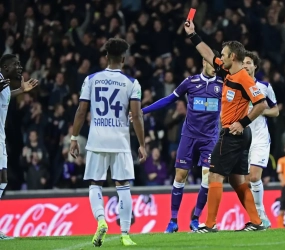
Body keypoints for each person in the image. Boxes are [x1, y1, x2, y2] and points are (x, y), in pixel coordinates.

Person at [184, 21, 267, 232]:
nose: (219, 56)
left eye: (224, 53)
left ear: (233, 57)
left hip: (233, 132)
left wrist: (242, 122)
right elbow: (207, 54)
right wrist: (193, 34)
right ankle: (256, 222)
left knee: (214, 176)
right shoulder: (228, 73)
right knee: (237, 179)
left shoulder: (244, 79)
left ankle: (210, 225)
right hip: (239, 134)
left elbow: (261, 104)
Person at [132, 50, 222, 232]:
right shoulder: (190, 82)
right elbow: (169, 99)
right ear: (204, 62)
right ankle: (173, 221)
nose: (216, 68)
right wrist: (144, 110)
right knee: (180, 176)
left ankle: (195, 219)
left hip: (209, 139)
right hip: (189, 136)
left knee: (208, 176)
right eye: (213, 63)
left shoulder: (222, 84)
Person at [69, 38, 147, 247]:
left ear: (106, 57)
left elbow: (81, 111)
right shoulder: (132, 83)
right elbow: (137, 116)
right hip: (120, 141)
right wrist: (142, 144)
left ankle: (101, 220)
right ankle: (125, 234)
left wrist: (74, 138)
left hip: (96, 140)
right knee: (123, 186)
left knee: (95, 184)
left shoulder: (91, 79)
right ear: (123, 59)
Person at [0, 54, 38, 239]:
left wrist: (21, 90)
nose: (20, 67)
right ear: (6, 67)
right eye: (16, 64)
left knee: (3, 179)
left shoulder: (5, 84)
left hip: (0, 136)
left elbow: (4, 97)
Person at [243, 51, 279, 228]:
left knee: (254, 176)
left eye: (249, 62)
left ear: (255, 66)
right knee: (244, 181)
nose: (246, 65)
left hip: (260, 138)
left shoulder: (264, 86)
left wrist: (261, 110)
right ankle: (255, 216)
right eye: (243, 63)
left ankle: (261, 213)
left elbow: (276, 110)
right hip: (242, 139)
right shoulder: (236, 86)